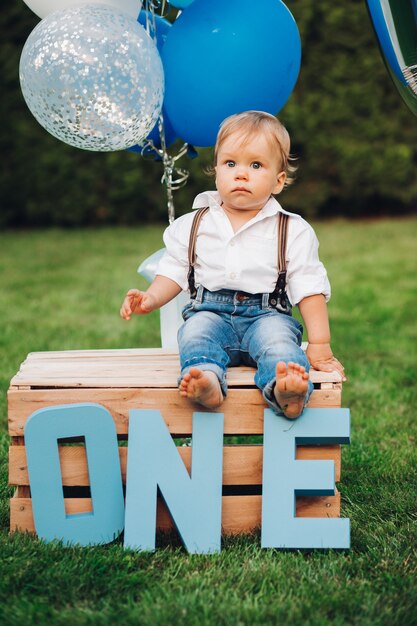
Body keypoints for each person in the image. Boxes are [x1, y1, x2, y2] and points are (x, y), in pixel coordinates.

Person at [120, 111, 345, 419]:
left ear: (279, 180)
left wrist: (320, 344)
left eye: (256, 165)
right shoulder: (193, 224)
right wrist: (151, 298)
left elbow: (309, 289)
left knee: (279, 345)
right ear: (216, 172)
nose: (241, 174)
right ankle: (207, 381)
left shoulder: (292, 230)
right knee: (195, 334)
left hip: (268, 315)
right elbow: (173, 271)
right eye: (230, 163)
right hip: (210, 313)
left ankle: (285, 389)